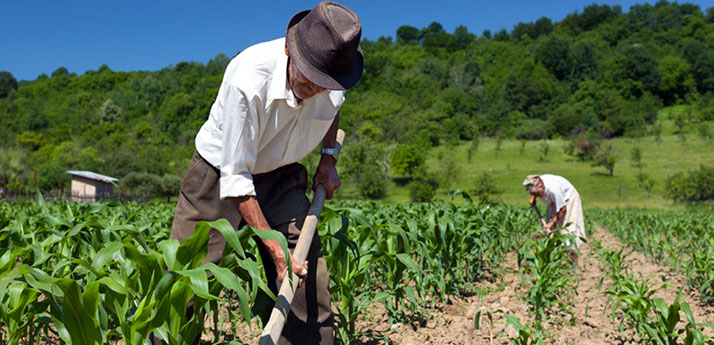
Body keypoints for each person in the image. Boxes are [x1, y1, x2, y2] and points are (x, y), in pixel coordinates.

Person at [164, 2, 363, 344]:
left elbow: (333, 112)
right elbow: (236, 180)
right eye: (309, 77)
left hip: (282, 174)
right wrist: (274, 248)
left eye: (323, 83)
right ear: (289, 50)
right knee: (185, 283)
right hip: (220, 175)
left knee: (304, 277)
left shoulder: (335, 72)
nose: (315, 88)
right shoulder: (247, 80)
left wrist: (328, 158)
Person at [523, 174, 586, 264]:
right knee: (550, 232)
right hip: (554, 202)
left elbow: (563, 208)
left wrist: (552, 222)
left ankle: (575, 265)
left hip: (568, 200)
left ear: (541, 186)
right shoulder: (537, 182)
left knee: (568, 232)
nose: (536, 195)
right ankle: (554, 263)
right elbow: (534, 189)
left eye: (536, 193)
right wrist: (533, 197)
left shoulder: (553, 190)